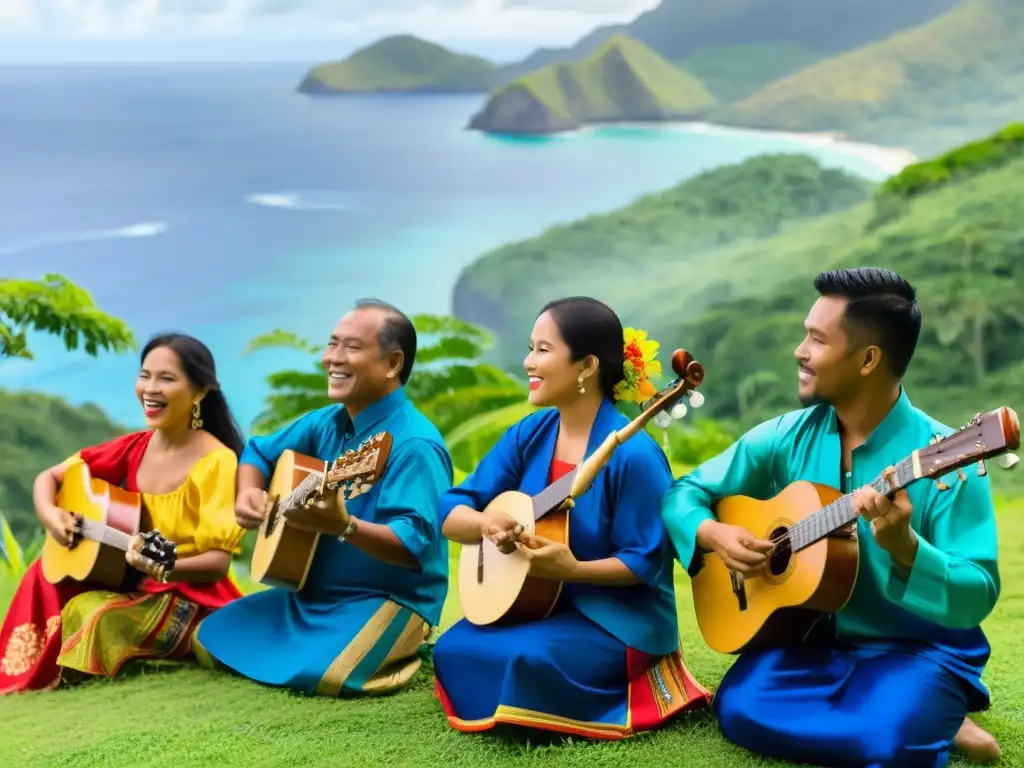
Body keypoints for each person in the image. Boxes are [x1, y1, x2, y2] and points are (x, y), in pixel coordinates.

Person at [661, 267, 1003, 766]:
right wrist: (712, 532)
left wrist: (906, 548)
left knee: (884, 743)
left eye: (817, 340)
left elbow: (977, 593)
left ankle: (924, 710)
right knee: (738, 708)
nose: (800, 351)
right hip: (808, 640)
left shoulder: (948, 460)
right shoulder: (785, 436)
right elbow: (685, 493)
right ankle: (928, 718)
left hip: (914, 649)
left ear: (868, 359)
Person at [433, 296, 711, 740]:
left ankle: (649, 677)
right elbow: (452, 508)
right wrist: (485, 524)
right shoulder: (530, 433)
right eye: (530, 347)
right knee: (454, 648)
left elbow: (648, 562)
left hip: (616, 616)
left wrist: (573, 569)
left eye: (543, 350)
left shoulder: (634, 455)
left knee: (528, 661)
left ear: (586, 366)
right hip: (539, 602)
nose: (528, 362)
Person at [193, 299, 452, 698]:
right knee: (210, 638)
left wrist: (342, 525)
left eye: (351, 347)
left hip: (387, 602)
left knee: (331, 674)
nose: (332, 358)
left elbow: (411, 547)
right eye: (332, 344)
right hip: (308, 597)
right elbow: (259, 452)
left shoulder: (415, 444)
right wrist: (248, 492)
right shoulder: (327, 421)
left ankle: (402, 651)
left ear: (392, 363)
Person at [0, 332, 247, 694]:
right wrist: (51, 516)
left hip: (188, 596)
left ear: (199, 392)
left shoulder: (217, 461)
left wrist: (163, 566)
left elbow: (217, 562)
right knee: (45, 571)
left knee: (92, 614)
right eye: (145, 375)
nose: (150, 388)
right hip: (130, 585)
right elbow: (49, 477)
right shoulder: (135, 447)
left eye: (166, 378)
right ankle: (17, 674)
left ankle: (179, 645)